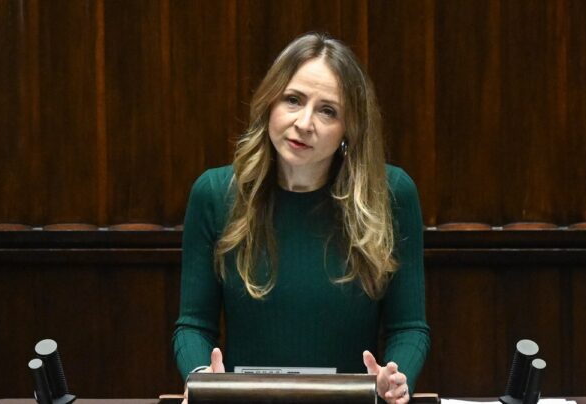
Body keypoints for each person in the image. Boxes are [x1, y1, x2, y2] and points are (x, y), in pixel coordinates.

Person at [173, 32, 429, 404]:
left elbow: (409, 328)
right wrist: (202, 380)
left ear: (349, 128)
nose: (305, 123)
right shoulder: (215, 193)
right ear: (270, 102)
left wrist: (395, 377)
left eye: (328, 111)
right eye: (293, 100)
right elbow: (193, 325)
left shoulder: (390, 193)